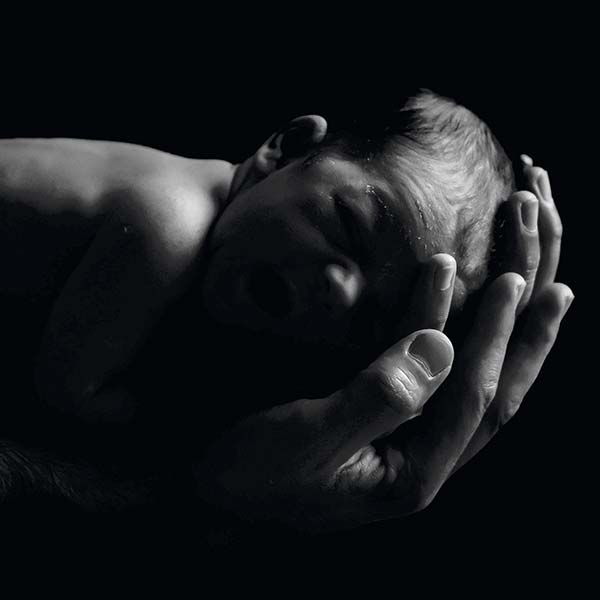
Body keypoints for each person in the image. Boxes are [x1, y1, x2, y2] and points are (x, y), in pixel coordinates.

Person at [0, 90, 572, 531]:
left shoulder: (214, 239)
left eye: (373, 321)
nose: (341, 290)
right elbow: (70, 391)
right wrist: (199, 441)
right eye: (348, 224)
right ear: (288, 148)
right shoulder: (167, 223)